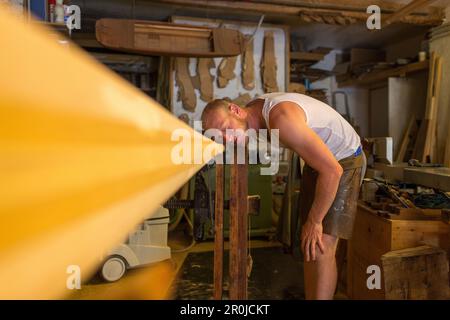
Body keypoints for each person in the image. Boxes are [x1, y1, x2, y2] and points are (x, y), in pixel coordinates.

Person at [201, 92, 366, 300]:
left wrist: (315, 220)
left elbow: (333, 171)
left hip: (343, 160)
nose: (225, 138)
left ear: (235, 110)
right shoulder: (253, 113)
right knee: (309, 242)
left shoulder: (280, 118)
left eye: (225, 128)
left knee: (322, 244)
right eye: (218, 136)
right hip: (318, 163)